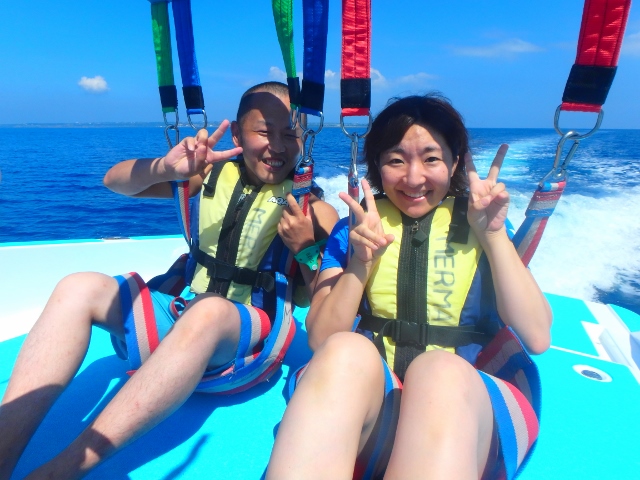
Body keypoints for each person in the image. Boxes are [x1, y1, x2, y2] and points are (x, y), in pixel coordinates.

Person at [0, 81, 338, 479]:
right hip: (179, 313)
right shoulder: (207, 174)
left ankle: (64, 469)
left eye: (290, 134)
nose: (277, 146)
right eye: (264, 131)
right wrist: (165, 168)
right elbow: (114, 181)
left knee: (209, 312)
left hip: (244, 345)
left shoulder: (314, 210)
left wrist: (306, 249)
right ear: (236, 135)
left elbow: (328, 311)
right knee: (77, 287)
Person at [266, 94, 552, 480]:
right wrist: (360, 262)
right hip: (377, 415)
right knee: (345, 350)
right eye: (396, 160)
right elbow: (320, 338)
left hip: (466, 423)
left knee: (439, 372)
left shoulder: (486, 226)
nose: (414, 178)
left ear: (454, 163)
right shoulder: (352, 231)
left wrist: (493, 235)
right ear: (377, 166)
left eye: (431, 159)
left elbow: (537, 336)